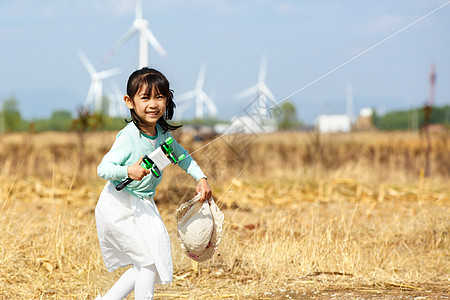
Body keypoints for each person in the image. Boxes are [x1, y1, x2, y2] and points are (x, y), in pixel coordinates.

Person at [95, 67, 212, 300]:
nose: (153, 103)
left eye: (159, 96)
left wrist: (201, 178)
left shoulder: (163, 134)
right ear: (129, 101)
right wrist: (129, 170)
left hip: (144, 205)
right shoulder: (128, 137)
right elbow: (103, 169)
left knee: (150, 260)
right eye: (145, 97)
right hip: (119, 204)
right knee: (147, 261)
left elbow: (182, 156)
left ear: (167, 99)